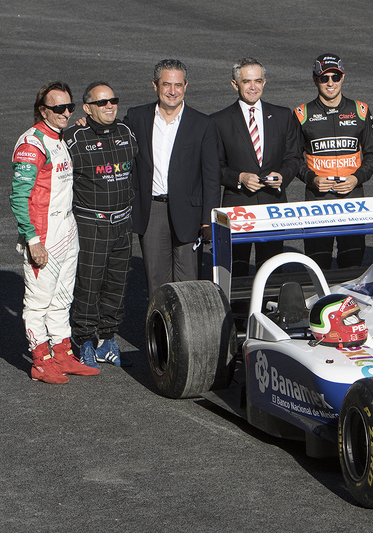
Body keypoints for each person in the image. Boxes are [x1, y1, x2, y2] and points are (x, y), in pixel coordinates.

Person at [10, 81, 99, 384]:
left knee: (62, 298)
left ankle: (62, 355)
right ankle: (39, 361)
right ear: (42, 110)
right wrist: (32, 240)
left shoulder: (60, 137)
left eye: (69, 107)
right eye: (58, 108)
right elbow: (18, 198)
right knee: (38, 302)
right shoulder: (31, 144)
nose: (65, 113)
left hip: (67, 229)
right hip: (43, 234)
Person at [126, 59, 221, 298]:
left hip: (190, 212)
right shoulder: (136, 118)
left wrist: (208, 220)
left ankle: (186, 335)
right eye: (166, 84)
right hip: (152, 210)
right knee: (157, 283)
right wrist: (87, 124)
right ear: (155, 85)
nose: (172, 91)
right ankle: (159, 334)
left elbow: (211, 177)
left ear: (186, 86)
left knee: (189, 282)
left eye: (178, 85)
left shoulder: (203, 124)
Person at [64, 81, 138, 368]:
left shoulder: (126, 132)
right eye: (101, 103)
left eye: (112, 101)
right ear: (87, 108)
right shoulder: (74, 137)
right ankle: (82, 340)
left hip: (123, 222)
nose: (109, 106)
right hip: (91, 224)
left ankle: (107, 339)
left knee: (117, 285)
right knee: (89, 285)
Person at [212, 57, 300, 276]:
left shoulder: (282, 115)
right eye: (246, 81)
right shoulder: (218, 121)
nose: (253, 87)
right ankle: (237, 309)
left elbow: (294, 158)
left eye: (258, 81)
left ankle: (269, 309)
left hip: (273, 202)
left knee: (272, 268)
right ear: (235, 84)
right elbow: (214, 166)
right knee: (236, 268)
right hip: (238, 205)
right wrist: (239, 177)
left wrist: (282, 176)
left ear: (264, 82)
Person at [294, 53, 373, 269]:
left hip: (352, 199)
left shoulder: (360, 111)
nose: (330, 83)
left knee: (352, 266)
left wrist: (357, 178)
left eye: (335, 77)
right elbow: (293, 158)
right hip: (317, 201)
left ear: (343, 77)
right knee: (317, 265)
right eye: (324, 78)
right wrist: (312, 179)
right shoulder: (301, 114)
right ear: (315, 79)